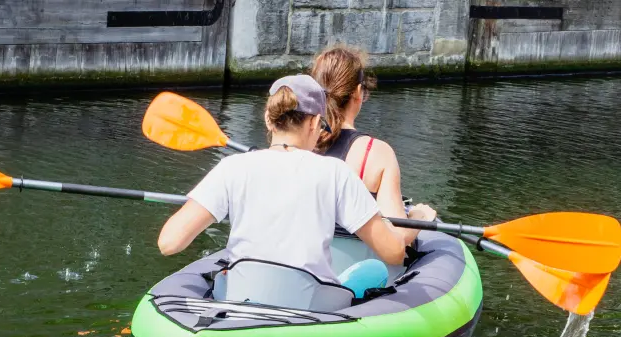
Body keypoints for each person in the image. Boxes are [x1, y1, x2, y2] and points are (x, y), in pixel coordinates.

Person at [156, 74, 409, 298]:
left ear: (268, 119)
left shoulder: (232, 167)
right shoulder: (335, 173)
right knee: (373, 270)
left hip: (239, 301)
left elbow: (168, 243)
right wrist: (416, 221)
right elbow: (394, 253)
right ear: (314, 123)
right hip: (309, 310)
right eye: (321, 126)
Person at [310, 44, 436, 247]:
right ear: (358, 92)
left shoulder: (297, 142)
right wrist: (419, 218)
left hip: (302, 265)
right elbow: (397, 237)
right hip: (358, 272)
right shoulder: (375, 152)